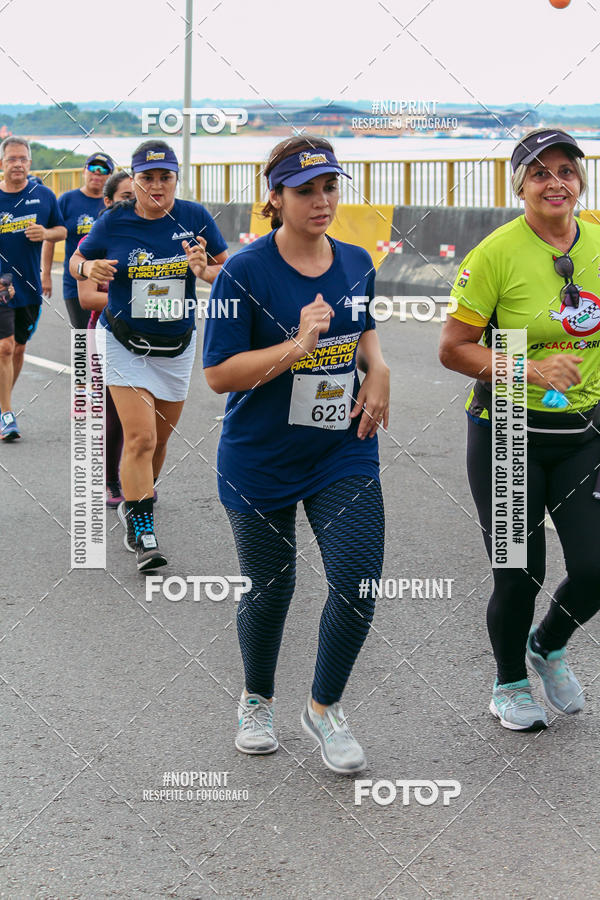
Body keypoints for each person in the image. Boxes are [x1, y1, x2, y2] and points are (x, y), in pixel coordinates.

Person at [203, 136, 389, 773]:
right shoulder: (244, 272)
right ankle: (256, 699)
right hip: (260, 457)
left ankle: (323, 708)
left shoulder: (358, 260)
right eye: (305, 190)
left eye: (329, 187)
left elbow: (364, 333)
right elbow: (220, 375)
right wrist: (297, 346)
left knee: (358, 581)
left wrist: (381, 369)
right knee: (270, 586)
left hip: (342, 448)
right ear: (275, 197)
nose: (320, 201)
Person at [439, 128, 600, 731]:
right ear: (520, 186)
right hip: (508, 427)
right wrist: (528, 368)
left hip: (586, 427)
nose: (555, 183)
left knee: (595, 566)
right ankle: (509, 684)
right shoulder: (495, 254)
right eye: (540, 173)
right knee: (519, 571)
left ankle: (549, 642)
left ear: (579, 180)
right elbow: (454, 350)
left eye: (566, 171)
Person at [70, 140, 228, 571]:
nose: (157, 186)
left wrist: (204, 269)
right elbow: (77, 259)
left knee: (159, 440)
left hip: (176, 345)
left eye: (165, 177)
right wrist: (88, 269)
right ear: (135, 180)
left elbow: (226, 269)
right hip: (124, 341)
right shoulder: (114, 221)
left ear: (176, 178)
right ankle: (143, 530)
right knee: (139, 437)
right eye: (147, 178)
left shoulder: (194, 217)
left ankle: (137, 498)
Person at [0, 136, 66, 441]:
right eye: (12, 159)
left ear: (30, 162)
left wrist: (46, 233)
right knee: (5, 347)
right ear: (2, 163)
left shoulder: (43, 195)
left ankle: (2, 406)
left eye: (23, 159)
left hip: (29, 284)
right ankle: (6, 414)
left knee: (20, 348)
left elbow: (62, 229)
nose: (18, 164)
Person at [76, 171, 134, 507]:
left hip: (151, 336)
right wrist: (135, 302)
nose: (132, 202)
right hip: (107, 333)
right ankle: (111, 482)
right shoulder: (97, 240)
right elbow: (86, 298)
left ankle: (138, 478)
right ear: (108, 201)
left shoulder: (152, 235)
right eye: (125, 196)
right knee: (114, 411)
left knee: (147, 414)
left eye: (135, 196)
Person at [42, 152, 114, 328]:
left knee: (109, 337)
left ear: (110, 176)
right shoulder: (68, 200)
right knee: (82, 338)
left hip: (110, 283)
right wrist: (46, 275)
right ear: (84, 171)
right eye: (92, 168)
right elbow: (50, 239)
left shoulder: (114, 203)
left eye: (104, 170)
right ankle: (81, 357)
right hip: (76, 280)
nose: (97, 173)